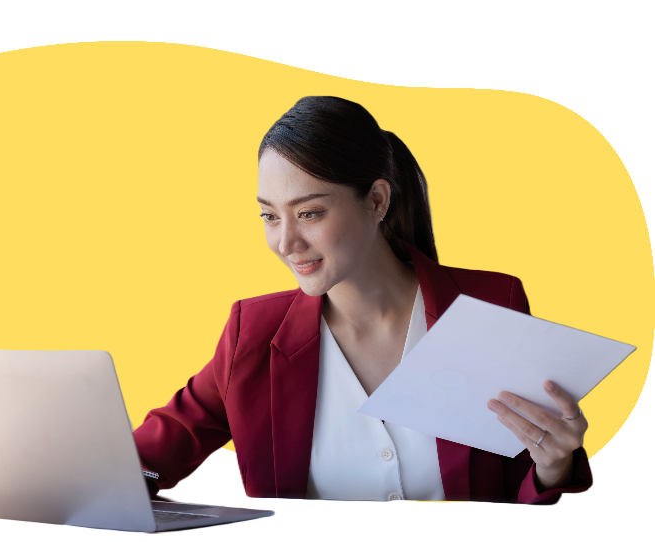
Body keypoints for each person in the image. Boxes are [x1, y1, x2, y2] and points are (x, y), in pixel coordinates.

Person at [132, 96, 593, 504]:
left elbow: (518, 482)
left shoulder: (490, 303)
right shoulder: (252, 333)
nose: (286, 242)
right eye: (270, 216)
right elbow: (143, 459)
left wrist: (554, 465)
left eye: (309, 213)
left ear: (376, 200)